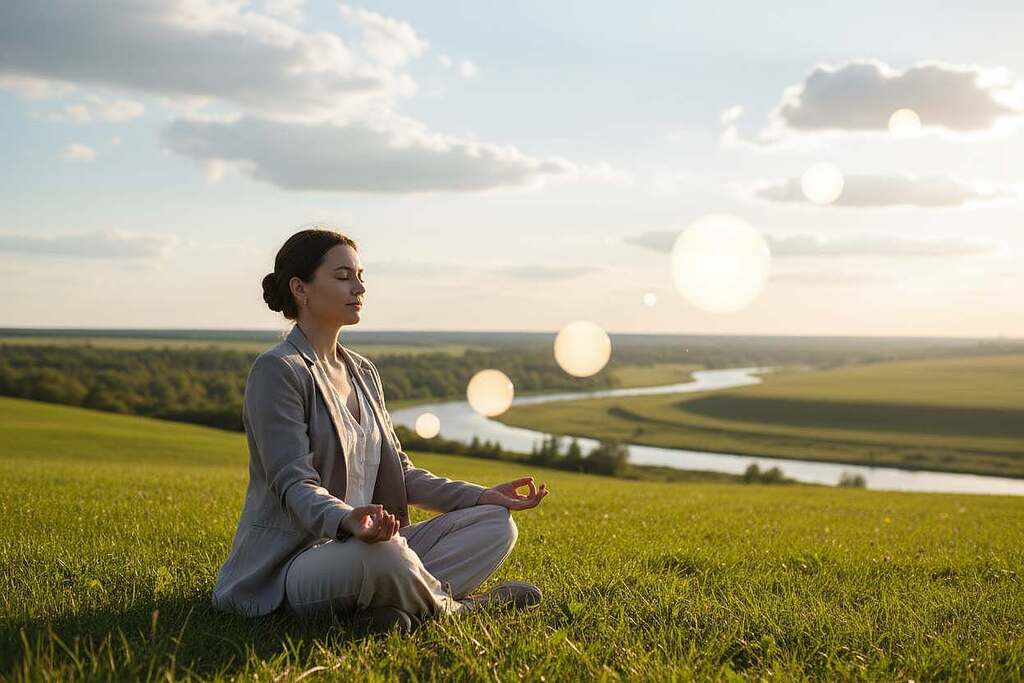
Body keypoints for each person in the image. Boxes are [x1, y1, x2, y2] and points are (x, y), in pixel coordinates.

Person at [211, 227, 549, 633]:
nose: (359, 287)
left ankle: (386, 610)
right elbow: (293, 485)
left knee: (495, 523)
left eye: (360, 275)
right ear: (301, 289)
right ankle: (460, 609)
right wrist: (348, 520)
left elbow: (402, 474)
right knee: (385, 555)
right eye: (343, 277)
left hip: (370, 544)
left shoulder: (364, 372)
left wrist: (480, 496)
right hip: (298, 564)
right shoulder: (278, 371)